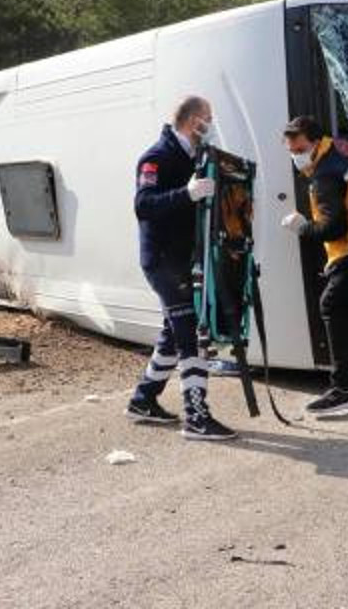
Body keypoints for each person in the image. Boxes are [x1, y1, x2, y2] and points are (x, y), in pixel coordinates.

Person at [125, 96, 237, 440]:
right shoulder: (156, 157)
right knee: (190, 331)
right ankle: (196, 416)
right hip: (162, 260)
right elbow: (143, 205)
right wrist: (186, 194)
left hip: (179, 260)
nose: (211, 124)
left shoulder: (194, 157)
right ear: (193, 121)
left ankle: (143, 400)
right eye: (208, 118)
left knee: (173, 333)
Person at [279, 115, 348, 414]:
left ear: (315, 142)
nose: (296, 156)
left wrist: (302, 226)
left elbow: (333, 229)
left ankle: (343, 387)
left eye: (299, 149)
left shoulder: (324, 175)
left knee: (331, 305)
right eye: (291, 150)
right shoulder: (341, 148)